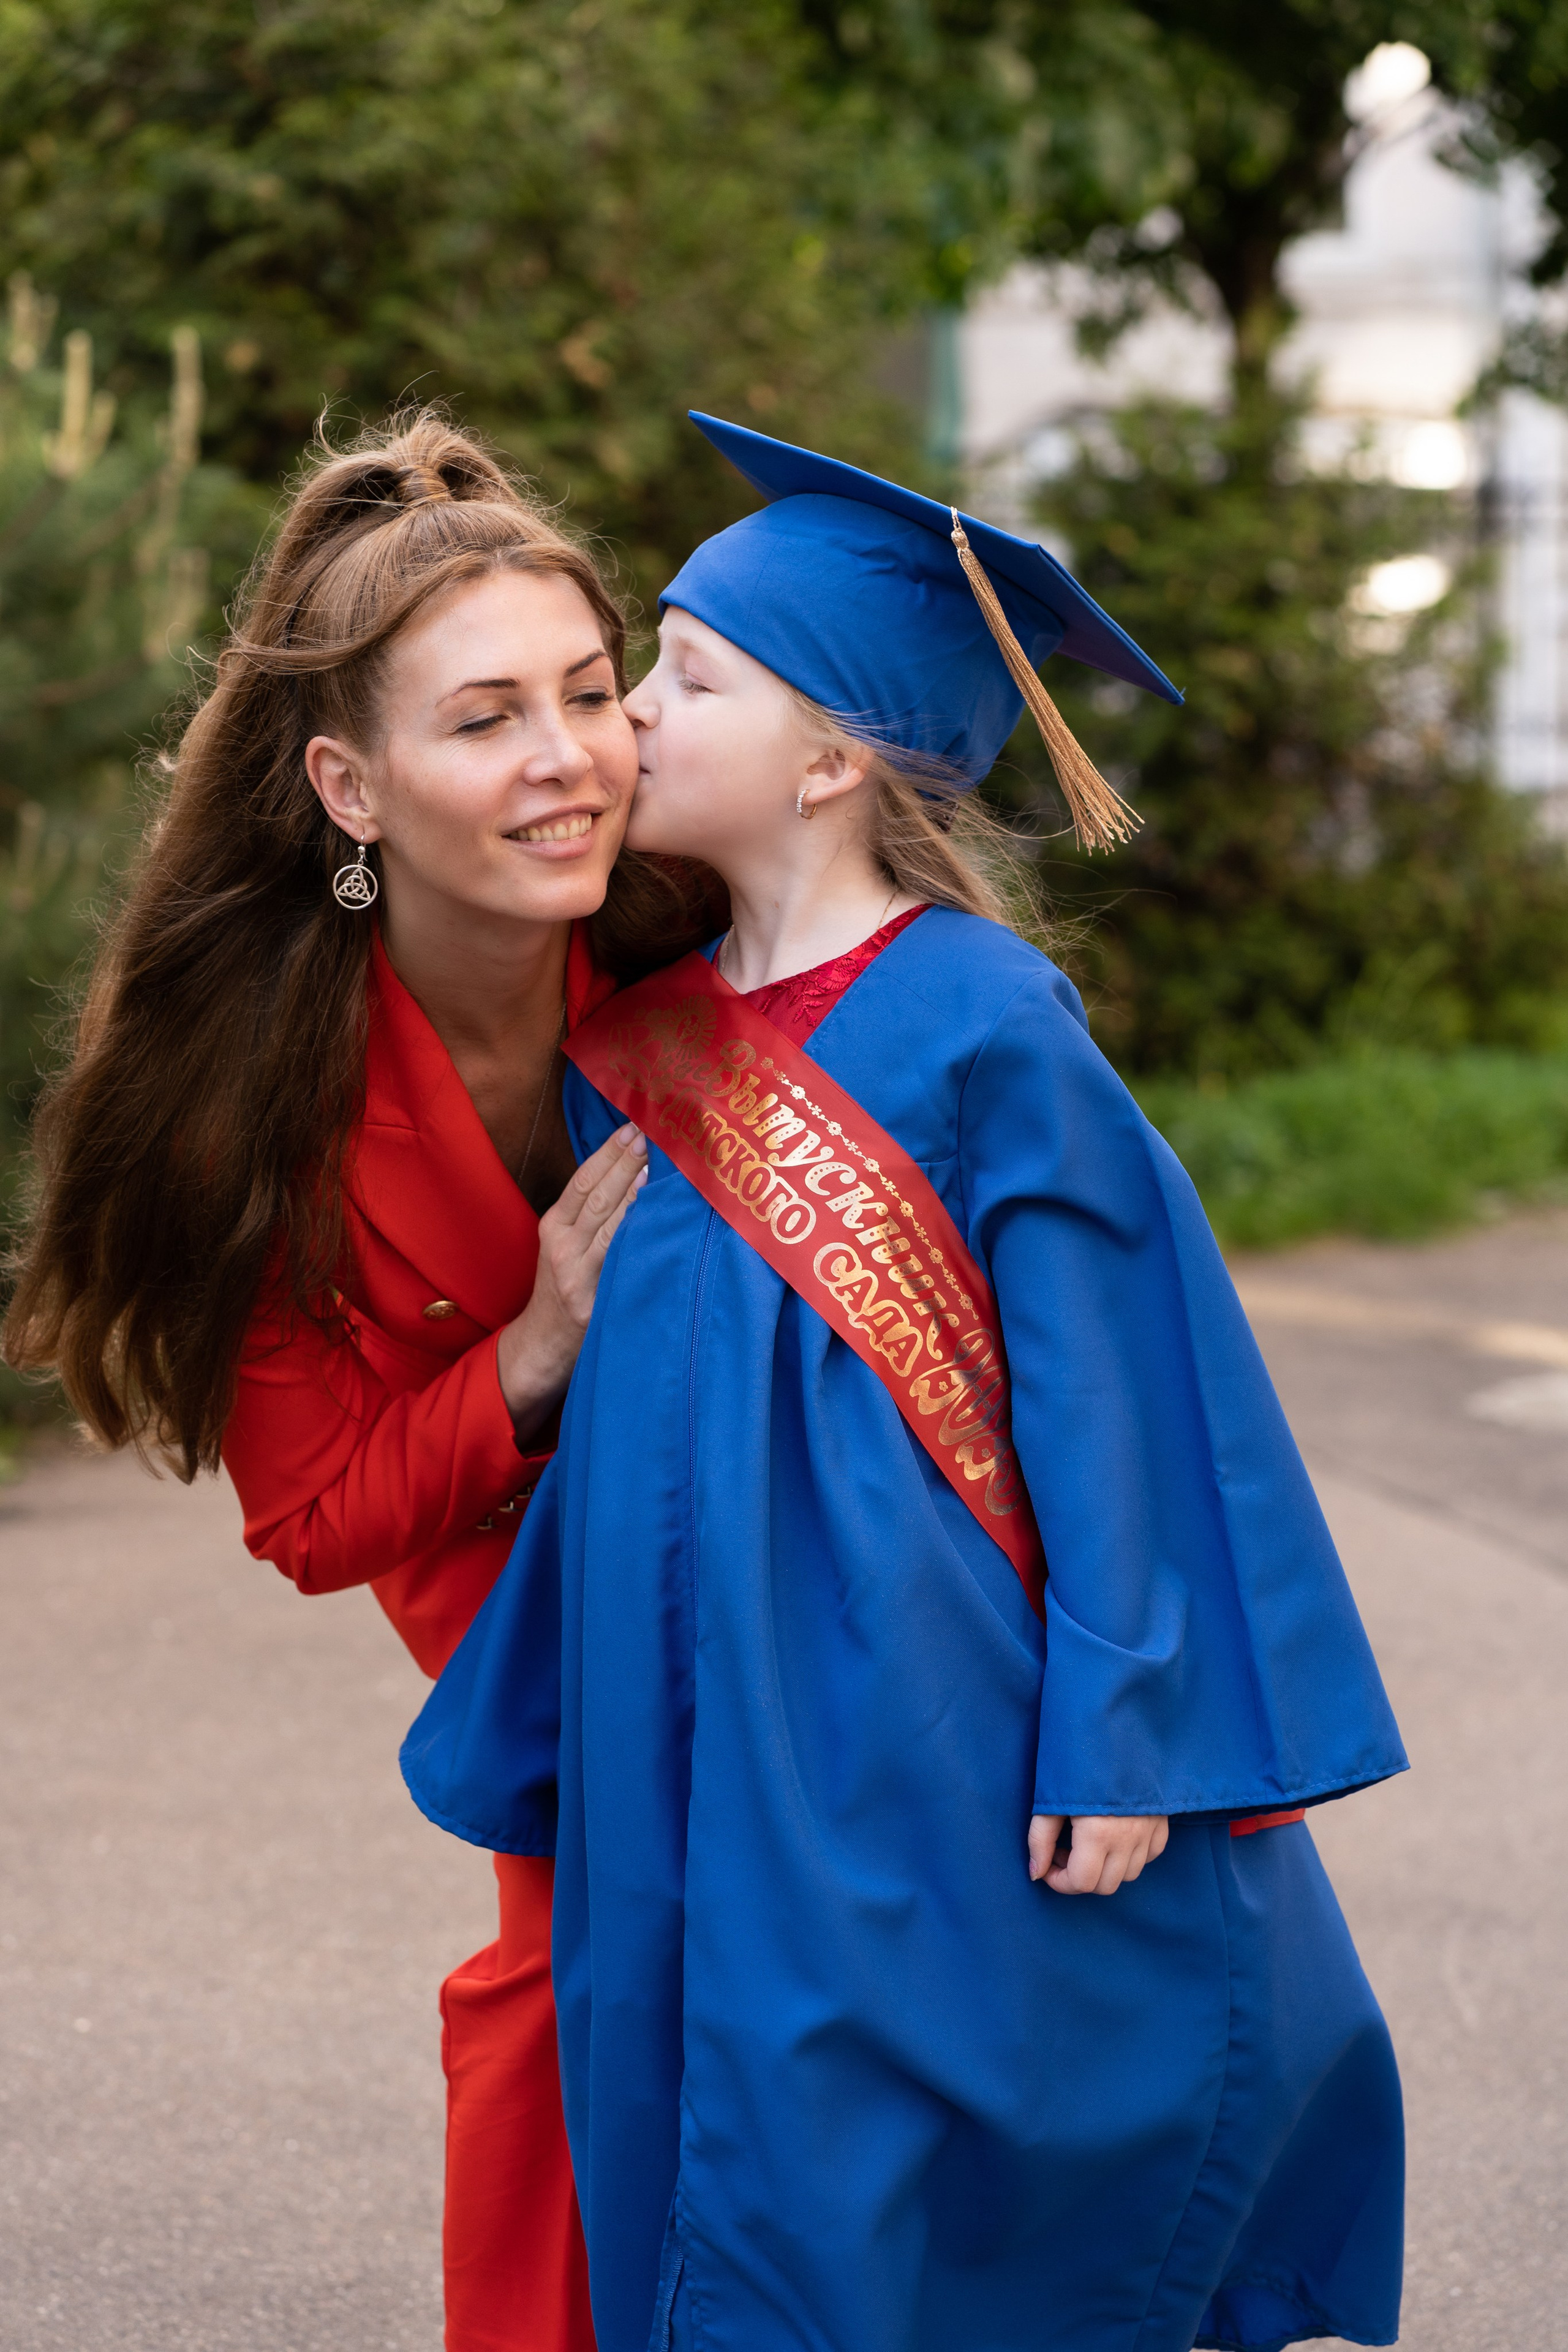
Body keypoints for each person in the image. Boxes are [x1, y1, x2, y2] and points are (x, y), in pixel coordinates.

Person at [402, 415, 1410, 2352]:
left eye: (683, 683)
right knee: (696, 2076)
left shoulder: (981, 1020)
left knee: (876, 2100)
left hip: (909, 1700)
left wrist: (1132, 1728)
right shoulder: (649, 1038)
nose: (628, 729)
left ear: (834, 760)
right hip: (687, 1711)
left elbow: (1125, 1386)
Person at [4, 413, 717, 2352]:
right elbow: (312, 1519)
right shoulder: (246, 1113)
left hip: (770, 1548)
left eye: (591, 690)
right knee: (572, 2034)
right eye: (485, 720)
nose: (569, 756)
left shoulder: (703, 932)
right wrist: (536, 1356)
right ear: (352, 785)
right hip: (530, 1639)